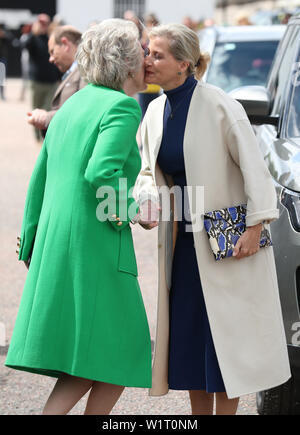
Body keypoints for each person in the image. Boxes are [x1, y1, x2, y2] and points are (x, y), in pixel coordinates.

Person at [135, 23, 291, 415]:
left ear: (184, 63)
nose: (147, 61)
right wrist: (146, 204)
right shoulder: (154, 110)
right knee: (188, 346)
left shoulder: (221, 104)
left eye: (157, 54)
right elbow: (145, 173)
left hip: (228, 244)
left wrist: (256, 227)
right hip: (181, 248)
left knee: (228, 344)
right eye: (147, 53)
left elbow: (257, 171)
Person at [5, 19, 152, 415]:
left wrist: (30, 235)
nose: (147, 59)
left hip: (61, 239)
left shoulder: (74, 104)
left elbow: (40, 177)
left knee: (98, 355)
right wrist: (134, 212)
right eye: (141, 52)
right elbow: (100, 173)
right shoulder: (121, 106)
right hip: (95, 243)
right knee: (123, 345)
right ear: (124, 62)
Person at [27, 25, 85, 133]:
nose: (51, 59)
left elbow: (82, 112)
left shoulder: (85, 72)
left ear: (65, 44)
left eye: (52, 52)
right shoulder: (75, 71)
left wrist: (46, 117)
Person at [21, 14, 61, 141]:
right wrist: (33, 32)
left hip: (51, 81)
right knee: (35, 108)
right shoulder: (33, 38)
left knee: (49, 108)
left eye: (45, 23)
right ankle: (37, 136)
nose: (43, 25)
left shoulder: (52, 38)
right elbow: (24, 46)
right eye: (41, 23)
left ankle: (45, 134)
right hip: (36, 81)